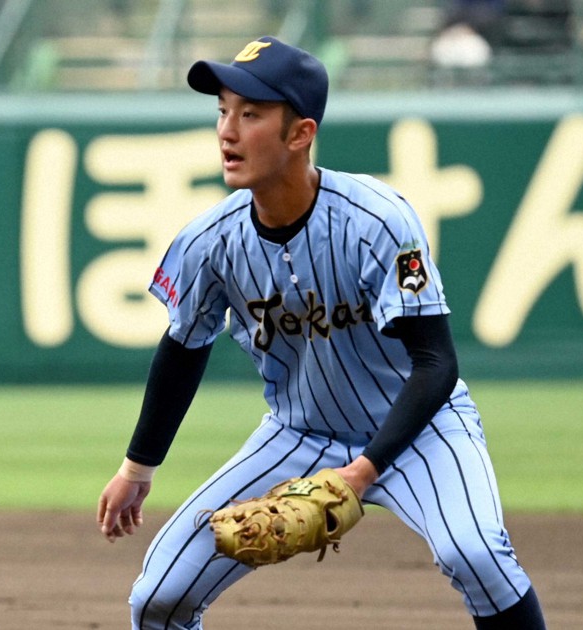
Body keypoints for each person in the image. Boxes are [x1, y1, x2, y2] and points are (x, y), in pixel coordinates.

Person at [96, 37, 547, 629]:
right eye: (223, 111)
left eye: (250, 114)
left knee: (478, 556)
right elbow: (183, 348)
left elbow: (436, 363)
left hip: (420, 429)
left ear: (300, 134)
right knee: (158, 598)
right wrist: (138, 468)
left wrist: (362, 472)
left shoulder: (379, 220)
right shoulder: (211, 240)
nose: (227, 131)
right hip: (299, 433)